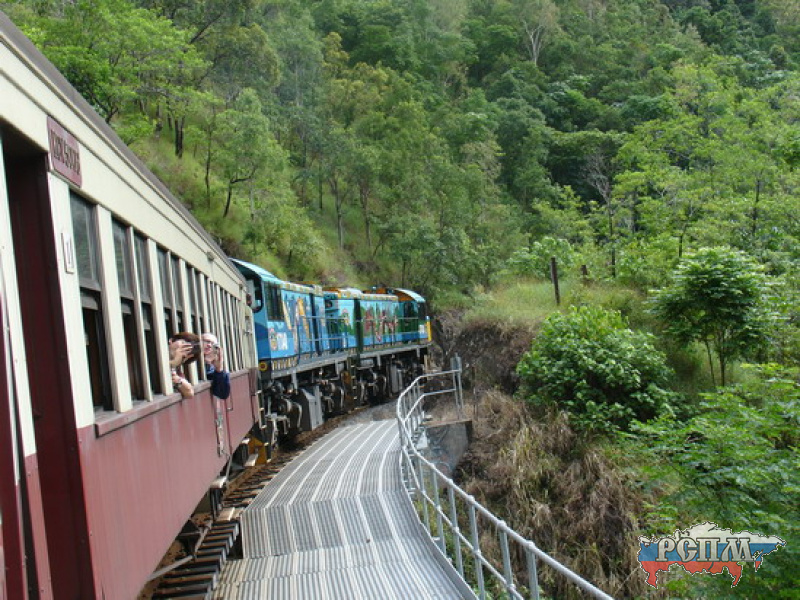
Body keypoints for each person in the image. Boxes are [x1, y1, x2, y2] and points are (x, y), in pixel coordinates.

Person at [168, 332, 201, 399]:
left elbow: (190, 393)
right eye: (183, 343)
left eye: (188, 350)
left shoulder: (177, 369)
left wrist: (179, 381)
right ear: (171, 340)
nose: (183, 349)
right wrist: (174, 362)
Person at [202, 333, 231, 400]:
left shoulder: (214, 368)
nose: (209, 345)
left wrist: (219, 369)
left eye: (213, 344)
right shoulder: (192, 363)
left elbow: (223, 394)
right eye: (206, 341)